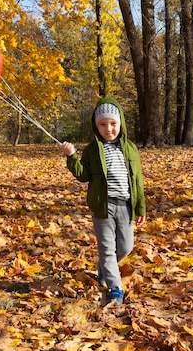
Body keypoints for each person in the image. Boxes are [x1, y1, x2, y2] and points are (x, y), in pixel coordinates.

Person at [60, 97, 146, 305]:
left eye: (113, 124)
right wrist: (72, 157)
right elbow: (83, 175)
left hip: (125, 205)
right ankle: (115, 288)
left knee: (125, 247)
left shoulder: (130, 148)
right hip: (103, 207)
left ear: (120, 123)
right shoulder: (92, 149)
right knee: (107, 249)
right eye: (103, 124)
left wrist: (140, 206)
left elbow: (137, 180)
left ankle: (104, 268)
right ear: (96, 126)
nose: (109, 129)